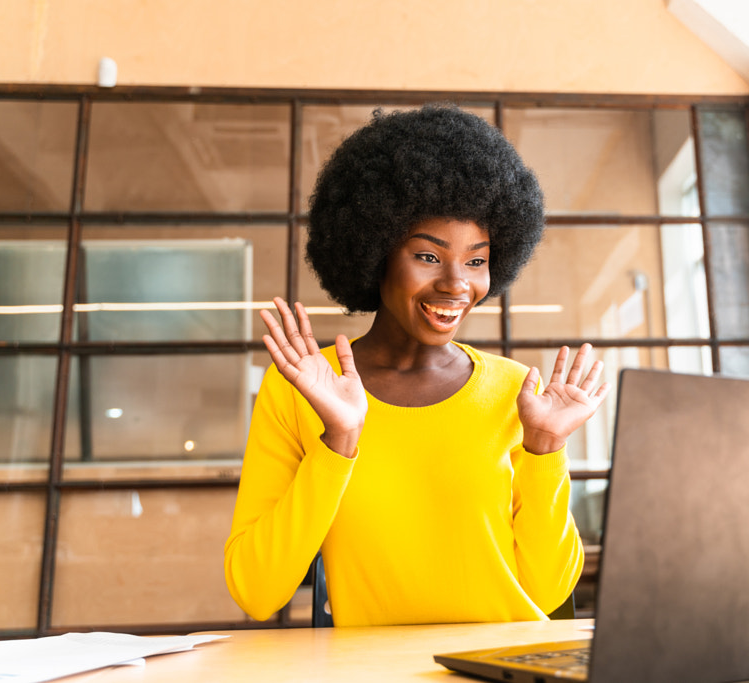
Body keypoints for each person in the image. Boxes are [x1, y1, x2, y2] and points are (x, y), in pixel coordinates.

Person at [223, 104, 609, 627]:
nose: (457, 284)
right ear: (376, 251)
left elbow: (544, 594)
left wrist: (545, 450)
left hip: (504, 665)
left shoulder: (519, 394)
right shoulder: (304, 389)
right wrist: (338, 442)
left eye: (476, 260)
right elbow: (256, 590)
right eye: (428, 256)